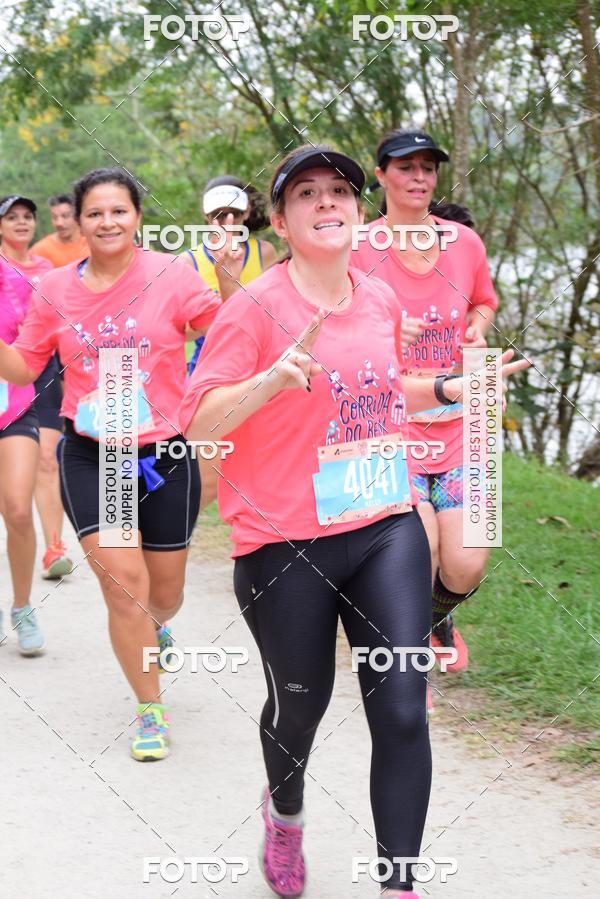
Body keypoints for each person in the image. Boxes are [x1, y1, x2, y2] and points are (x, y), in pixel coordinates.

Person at [179, 145, 528, 898]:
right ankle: (287, 813)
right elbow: (200, 421)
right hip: (283, 541)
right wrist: (270, 380)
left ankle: (398, 882)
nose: (327, 201)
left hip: (384, 524)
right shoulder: (253, 308)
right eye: (306, 194)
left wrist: (447, 381)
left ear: (358, 210)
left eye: (338, 190)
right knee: (299, 705)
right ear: (280, 220)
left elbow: (381, 381)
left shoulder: (375, 296)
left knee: (402, 705)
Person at [0, 167, 221, 761]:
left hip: (164, 452)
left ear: (137, 217)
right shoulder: (55, 290)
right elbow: (23, 367)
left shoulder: (170, 276)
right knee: (126, 589)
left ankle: (160, 626)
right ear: (78, 221)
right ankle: (150, 708)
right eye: (95, 213)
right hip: (96, 455)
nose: (107, 222)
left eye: (118, 211)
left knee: (163, 594)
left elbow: (219, 327)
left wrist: (229, 278)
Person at [352, 129, 499, 676]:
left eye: (427, 168)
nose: (419, 178)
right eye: (406, 167)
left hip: (467, 423)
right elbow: (334, 324)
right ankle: (411, 672)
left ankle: (440, 617)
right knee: (420, 553)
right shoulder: (359, 246)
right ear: (382, 175)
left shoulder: (464, 243)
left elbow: (483, 301)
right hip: (387, 427)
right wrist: (387, 333)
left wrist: (478, 332)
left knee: (467, 566)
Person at [0, 194, 74, 579]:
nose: (21, 223)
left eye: (27, 216)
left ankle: (54, 547)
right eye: (12, 217)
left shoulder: (46, 268)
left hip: (45, 371)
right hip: (6, 370)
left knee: (47, 458)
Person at [183, 175, 278, 375]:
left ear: (247, 212)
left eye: (235, 212)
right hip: (208, 365)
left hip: (260, 364)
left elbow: (277, 316)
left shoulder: (264, 252)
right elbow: (183, 332)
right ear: (206, 216)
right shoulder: (189, 261)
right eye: (219, 214)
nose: (229, 221)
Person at [0, 255, 44, 656]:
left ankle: (22, 606)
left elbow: (38, 343)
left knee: (16, 509)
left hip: (12, 409)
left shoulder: (15, 279)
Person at [31, 193, 89, 267]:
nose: (59, 223)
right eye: (55, 217)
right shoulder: (40, 250)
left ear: (77, 216)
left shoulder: (92, 242)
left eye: (65, 216)